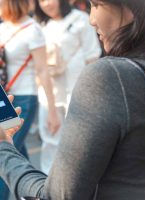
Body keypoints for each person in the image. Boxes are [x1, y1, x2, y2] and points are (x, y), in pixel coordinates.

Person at [0, 0, 145, 199]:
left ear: (133, 7)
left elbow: (59, 195)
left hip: (74, 93)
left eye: (97, 5)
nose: (92, 19)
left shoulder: (110, 76)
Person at [0, 0, 60, 199]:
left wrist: (52, 111)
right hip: (0, 97)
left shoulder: (32, 30)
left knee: (3, 152)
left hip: (24, 98)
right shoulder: (2, 28)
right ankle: (34, 195)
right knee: (17, 154)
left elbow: (43, 71)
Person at [34, 0, 101, 173]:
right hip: (49, 93)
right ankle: (47, 186)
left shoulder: (80, 19)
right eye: (41, 1)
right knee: (50, 141)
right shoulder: (40, 25)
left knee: (79, 142)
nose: (47, 4)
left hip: (77, 91)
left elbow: (92, 55)